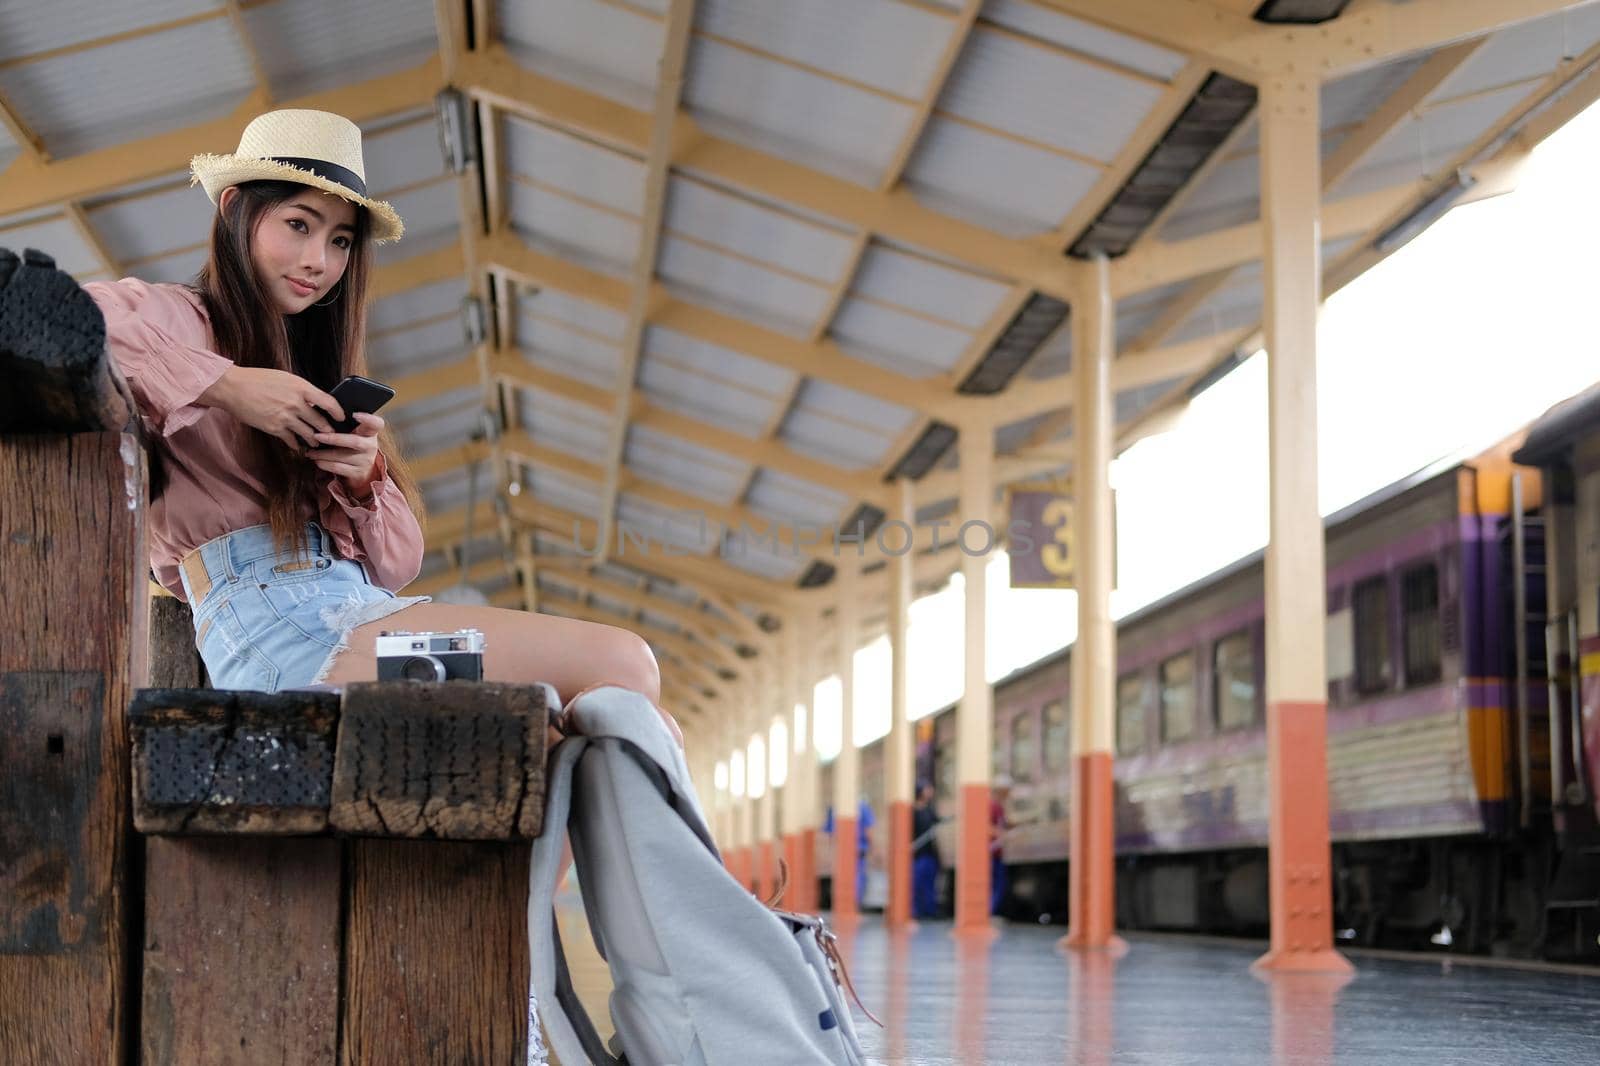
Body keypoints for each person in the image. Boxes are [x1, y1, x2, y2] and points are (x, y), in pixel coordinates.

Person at [81, 108, 676, 741]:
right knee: (624, 664)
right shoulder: (180, 316)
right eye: (298, 225)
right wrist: (231, 387)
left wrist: (364, 479)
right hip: (284, 636)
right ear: (234, 210)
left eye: (339, 241)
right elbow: (74, 320)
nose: (318, 259)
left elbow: (397, 563)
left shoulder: (317, 370)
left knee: (619, 730)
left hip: (356, 615)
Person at [910, 780, 942, 919]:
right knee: (917, 883)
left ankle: (930, 911)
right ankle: (916, 911)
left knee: (930, 884)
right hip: (918, 853)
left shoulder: (930, 810)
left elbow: (938, 823)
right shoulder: (912, 811)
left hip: (930, 853)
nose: (930, 791)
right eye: (927, 789)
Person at [990, 774, 1012, 915]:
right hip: (990, 853)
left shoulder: (1000, 807)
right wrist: (1001, 834)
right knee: (995, 885)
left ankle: (991, 912)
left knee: (999, 884)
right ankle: (988, 913)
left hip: (997, 853)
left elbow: (1005, 823)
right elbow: (984, 826)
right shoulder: (991, 806)